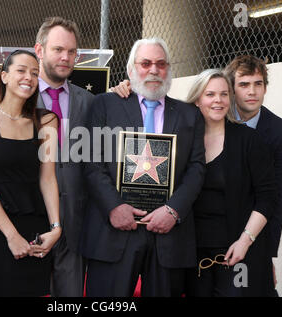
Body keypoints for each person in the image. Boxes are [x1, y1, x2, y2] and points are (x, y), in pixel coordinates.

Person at [0, 17, 94, 297]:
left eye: (72, 51)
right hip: (10, 226)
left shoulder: (74, 108)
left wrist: (56, 226)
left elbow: (54, 174)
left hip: (62, 223)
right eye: (58, 49)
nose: (65, 57)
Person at [80, 38, 206, 297]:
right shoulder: (104, 105)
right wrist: (113, 207)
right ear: (130, 70)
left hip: (168, 236)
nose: (153, 70)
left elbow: (196, 169)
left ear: (168, 70)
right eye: (145, 63)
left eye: (161, 64)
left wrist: (173, 211)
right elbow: (91, 163)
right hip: (113, 232)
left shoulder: (189, 115)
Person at [0, 49, 61, 296]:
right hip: (1, 230)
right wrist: (11, 236)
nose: (28, 78)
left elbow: (48, 178)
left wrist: (56, 228)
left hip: (37, 229)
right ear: (5, 76)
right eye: (21, 70)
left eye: (34, 73)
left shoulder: (47, 121)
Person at [184, 69, 276, 296]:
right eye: (210, 94)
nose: (218, 100)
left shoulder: (249, 141)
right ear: (197, 100)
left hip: (238, 252)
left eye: (224, 94)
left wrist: (245, 241)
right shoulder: (182, 141)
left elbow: (267, 198)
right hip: (192, 255)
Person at [223, 56, 282, 294]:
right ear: (231, 89)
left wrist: (268, 255)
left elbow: (276, 195)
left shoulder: (279, 131)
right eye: (244, 84)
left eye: (258, 84)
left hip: (254, 230)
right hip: (212, 226)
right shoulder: (214, 119)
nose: (252, 91)